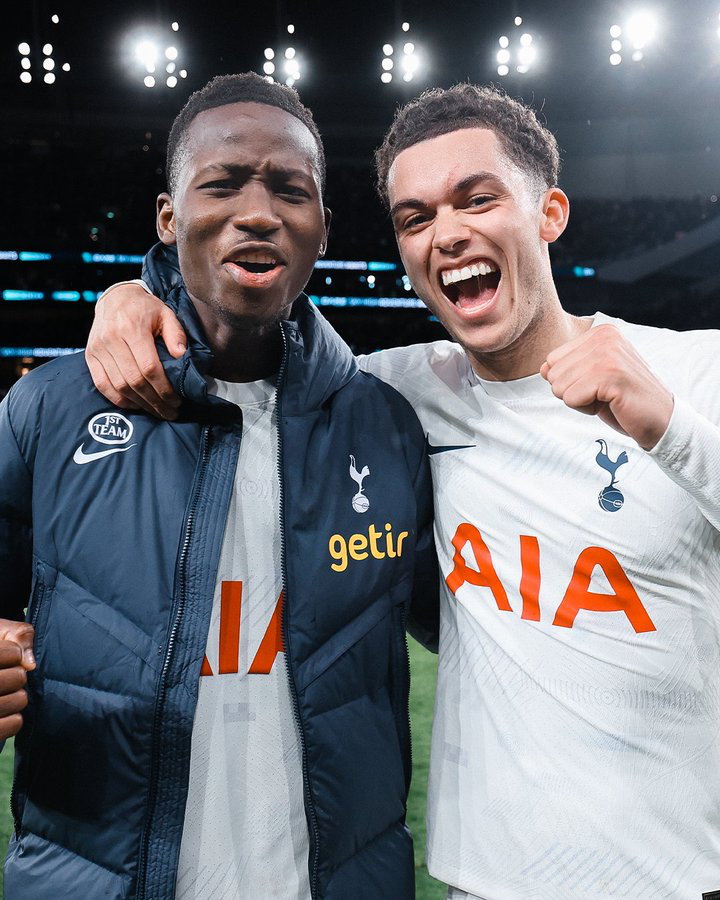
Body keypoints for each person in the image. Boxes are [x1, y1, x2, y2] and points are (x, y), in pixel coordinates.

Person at [87, 81, 720, 899]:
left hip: (678, 879)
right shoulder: (399, 397)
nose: (447, 234)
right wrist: (134, 296)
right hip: (481, 882)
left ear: (550, 213)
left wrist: (668, 426)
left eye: (477, 199)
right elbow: (246, 343)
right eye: (416, 218)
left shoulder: (695, 371)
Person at [0, 73, 439, 900]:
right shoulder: (49, 411)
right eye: (223, 182)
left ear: (321, 229)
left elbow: (477, 627)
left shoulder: (386, 424)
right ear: (168, 219)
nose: (260, 210)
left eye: (289, 190)